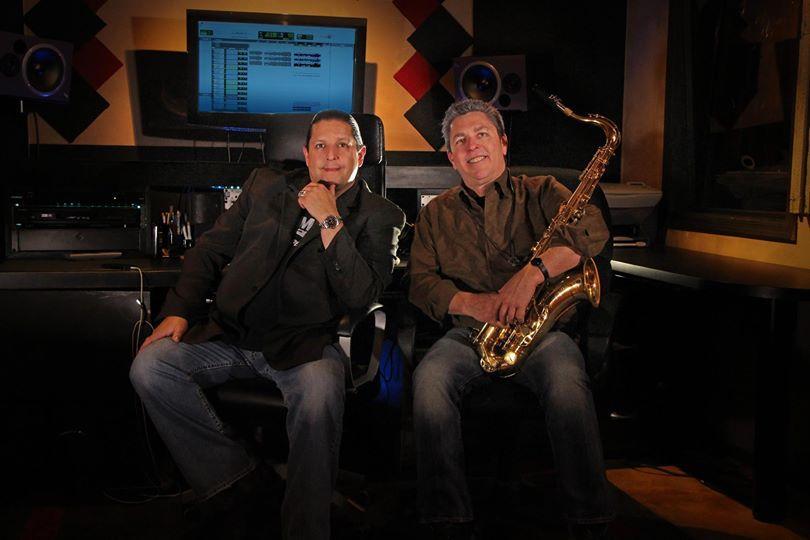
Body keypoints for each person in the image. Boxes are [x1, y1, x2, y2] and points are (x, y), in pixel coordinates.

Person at [130, 110, 405, 540]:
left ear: (361, 153)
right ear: (305, 154)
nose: (331, 155)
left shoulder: (381, 214)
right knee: (150, 367)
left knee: (319, 395)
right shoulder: (265, 184)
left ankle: (305, 527)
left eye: (343, 145)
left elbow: (360, 295)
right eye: (321, 146)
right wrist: (179, 310)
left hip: (304, 346)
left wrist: (330, 220)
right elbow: (210, 250)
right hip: (231, 334)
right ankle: (236, 480)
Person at [408, 99, 613, 539]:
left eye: (482, 134)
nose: (472, 146)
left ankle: (589, 519)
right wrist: (474, 304)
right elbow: (420, 285)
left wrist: (532, 274)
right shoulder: (435, 213)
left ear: (503, 143)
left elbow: (591, 234)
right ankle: (447, 518)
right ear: (451, 156)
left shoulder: (543, 190)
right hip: (470, 336)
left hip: (544, 332)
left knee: (567, 382)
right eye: (460, 140)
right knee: (429, 381)